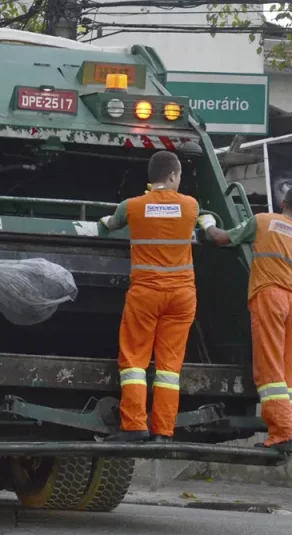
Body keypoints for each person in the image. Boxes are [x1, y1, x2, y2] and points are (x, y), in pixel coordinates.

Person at [98, 150, 214, 443]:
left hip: (146, 294)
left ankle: (134, 425)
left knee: (135, 361)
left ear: (151, 178)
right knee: (169, 368)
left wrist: (103, 220)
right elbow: (203, 223)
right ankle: (163, 431)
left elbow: (110, 224)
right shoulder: (190, 206)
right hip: (182, 296)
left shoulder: (133, 206)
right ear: (173, 176)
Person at [199, 184, 292, 453]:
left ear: (283, 202)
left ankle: (282, 433)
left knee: (269, 369)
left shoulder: (263, 221)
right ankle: (289, 428)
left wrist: (206, 223)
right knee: (287, 371)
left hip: (270, 297)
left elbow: (221, 238)